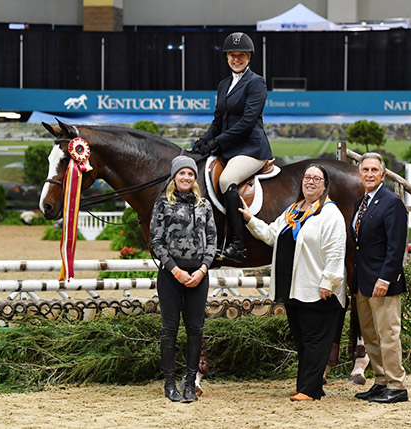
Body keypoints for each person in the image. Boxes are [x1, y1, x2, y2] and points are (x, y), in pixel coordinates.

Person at [239, 164, 347, 401]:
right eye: (307, 177)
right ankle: (306, 385)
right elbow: (270, 235)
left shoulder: (330, 214)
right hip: (293, 287)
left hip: (318, 289)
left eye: (316, 178)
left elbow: (336, 251)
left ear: (324, 185)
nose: (310, 182)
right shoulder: (294, 211)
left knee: (315, 339)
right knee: (302, 339)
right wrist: (250, 219)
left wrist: (329, 282)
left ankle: (310, 390)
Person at [192, 31, 273, 264]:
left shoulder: (256, 82)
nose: (236, 59)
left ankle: (237, 244)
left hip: (251, 148)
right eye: (232, 55)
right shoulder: (224, 84)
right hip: (228, 148)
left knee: (227, 180)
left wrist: (216, 143)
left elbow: (248, 122)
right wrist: (203, 141)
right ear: (227, 58)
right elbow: (218, 120)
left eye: (241, 55)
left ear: (248, 57)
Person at [150, 155, 217, 403]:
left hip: (199, 276)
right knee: (169, 330)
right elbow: (156, 241)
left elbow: (212, 241)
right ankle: (169, 385)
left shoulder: (204, 205)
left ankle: (190, 383)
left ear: (194, 178)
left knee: (195, 329)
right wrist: (176, 271)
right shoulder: (162, 204)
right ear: (174, 177)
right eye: (182, 174)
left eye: (190, 174)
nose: (187, 177)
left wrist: (202, 270)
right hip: (171, 276)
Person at [351, 152, 409, 404]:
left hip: (383, 282)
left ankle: (397, 386)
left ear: (383, 174)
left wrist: (385, 279)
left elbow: (396, 247)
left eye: (375, 170)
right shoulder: (360, 203)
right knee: (371, 337)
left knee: (387, 335)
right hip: (363, 282)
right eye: (365, 170)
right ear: (359, 173)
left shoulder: (392, 202)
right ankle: (381, 380)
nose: (370, 174)